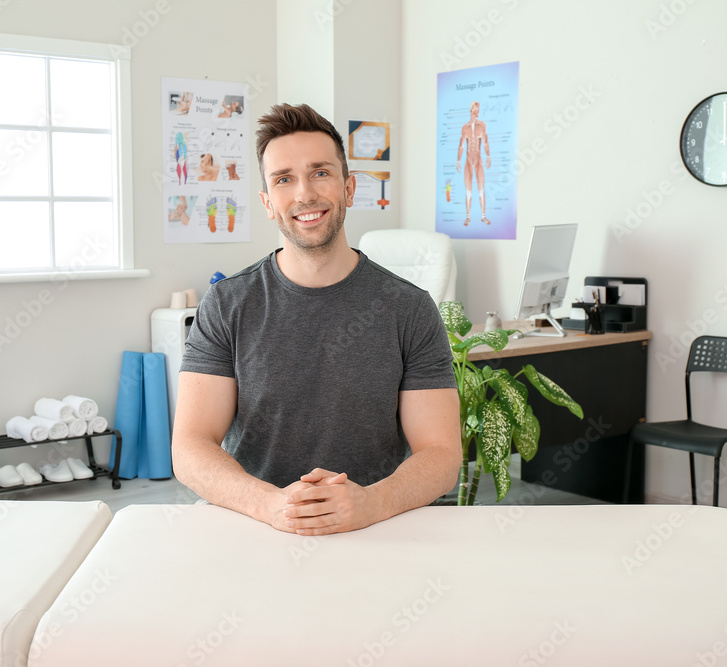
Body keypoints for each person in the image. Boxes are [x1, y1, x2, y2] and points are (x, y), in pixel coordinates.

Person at [172, 103, 461, 537]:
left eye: (320, 172)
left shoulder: (410, 308)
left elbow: (440, 453)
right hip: (257, 528)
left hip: (376, 530)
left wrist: (371, 502)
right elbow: (191, 447)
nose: (304, 193)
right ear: (268, 203)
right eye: (284, 179)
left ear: (349, 188)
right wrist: (272, 505)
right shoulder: (226, 304)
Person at [456, 101, 492, 226]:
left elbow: (486, 142)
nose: (478, 111)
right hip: (468, 160)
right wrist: (458, 160)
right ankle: (468, 217)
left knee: (481, 189)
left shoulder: (482, 125)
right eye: (476, 108)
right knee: (468, 190)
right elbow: (461, 146)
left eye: (479, 109)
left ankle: (483, 216)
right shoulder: (464, 128)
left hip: (478, 159)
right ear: (471, 109)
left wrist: (488, 156)